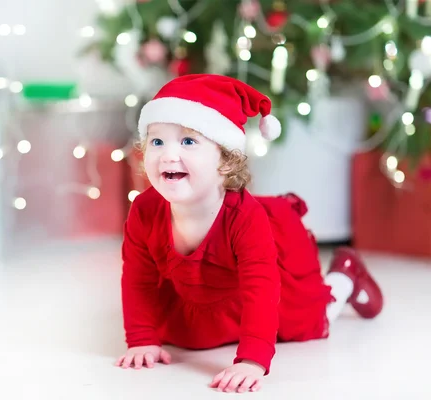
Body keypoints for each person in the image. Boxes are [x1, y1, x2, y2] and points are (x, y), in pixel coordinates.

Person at [115, 74, 383, 394]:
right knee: (185, 339)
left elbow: (261, 287)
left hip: (262, 293)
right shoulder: (145, 210)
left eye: (188, 141)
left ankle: (344, 276)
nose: (168, 155)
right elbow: (138, 278)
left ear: (226, 161)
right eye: (157, 141)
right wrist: (142, 338)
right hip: (200, 296)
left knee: (308, 323)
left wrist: (252, 360)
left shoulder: (244, 217)